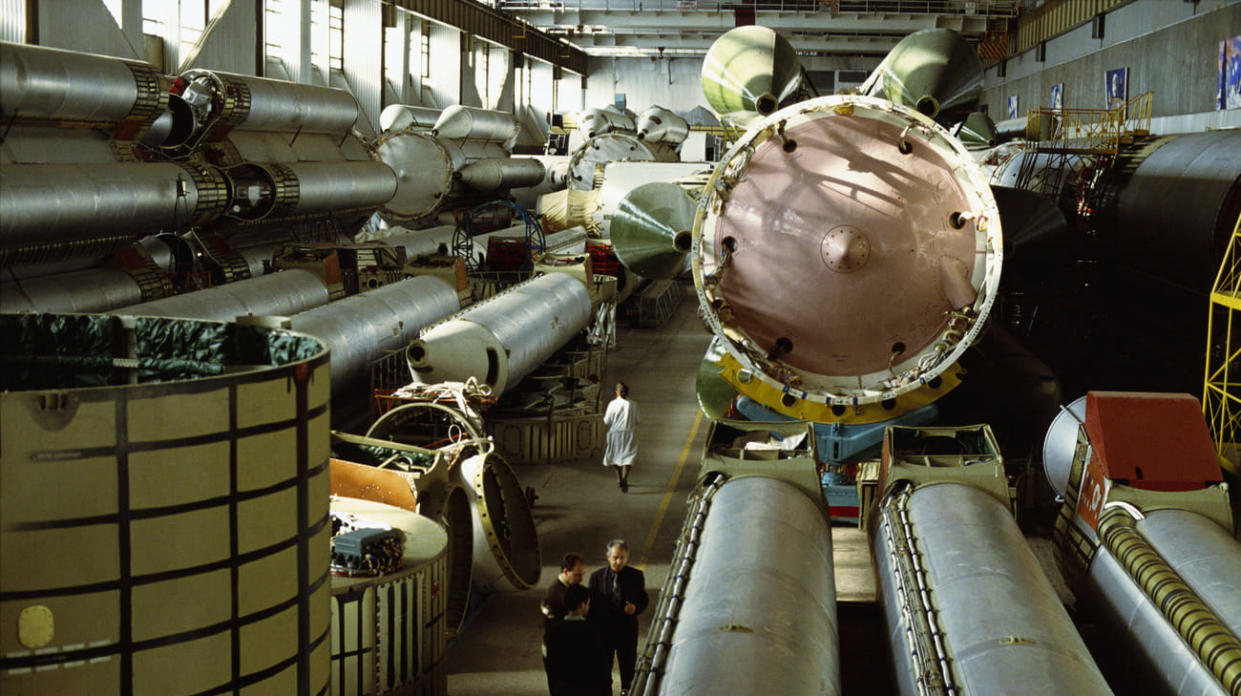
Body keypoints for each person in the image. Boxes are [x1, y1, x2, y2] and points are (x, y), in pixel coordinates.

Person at [587, 540, 649, 696]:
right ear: (607, 557)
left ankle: (627, 692)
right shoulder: (596, 578)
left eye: (622, 557)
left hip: (626, 633)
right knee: (603, 672)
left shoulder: (636, 576)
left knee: (628, 671)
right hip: (604, 633)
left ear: (627, 557)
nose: (618, 561)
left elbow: (643, 599)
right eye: (615, 557)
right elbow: (591, 608)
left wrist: (635, 608)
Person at [545, 584, 609, 696]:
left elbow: (550, 665)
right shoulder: (591, 632)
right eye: (588, 603)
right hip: (588, 689)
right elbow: (600, 667)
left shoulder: (553, 631)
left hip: (563, 689)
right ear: (582, 605)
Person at [541, 553, 587, 689]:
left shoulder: (565, 590)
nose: (581, 579)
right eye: (577, 575)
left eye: (582, 574)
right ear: (565, 572)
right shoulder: (556, 595)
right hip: (558, 651)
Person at [603, 382, 639, 492]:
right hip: (629, 433)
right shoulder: (634, 404)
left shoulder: (612, 404)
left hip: (615, 434)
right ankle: (624, 478)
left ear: (617, 392)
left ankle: (619, 479)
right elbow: (638, 420)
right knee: (628, 457)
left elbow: (607, 421)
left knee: (615, 456)